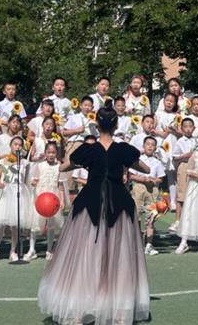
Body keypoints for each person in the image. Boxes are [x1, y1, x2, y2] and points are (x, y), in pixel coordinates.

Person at [38, 100, 150, 325]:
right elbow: (145, 168)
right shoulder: (124, 149)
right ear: (116, 125)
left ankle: (78, 313)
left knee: (85, 256)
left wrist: (78, 162)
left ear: (97, 125)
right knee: (119, 259)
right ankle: (120, 314)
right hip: (119, 204)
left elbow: (64, 166)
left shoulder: (88, 149)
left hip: (90, 203)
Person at [0, 136, 33, 262]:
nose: (17, 147)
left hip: (18, 194)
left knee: (15, 225)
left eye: (20, 145)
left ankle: (13, 251)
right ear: (10, 145)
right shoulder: (2, 162)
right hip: (5, 194)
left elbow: (25, 181)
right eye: (15, 144)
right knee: (1, 225)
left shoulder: (24, 163)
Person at [128, 136, 166, 256]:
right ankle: (136, 243)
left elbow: (160, 178)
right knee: (136, 215)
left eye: (152, 145)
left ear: (155, 148)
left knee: (151, 217)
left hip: (152, 190)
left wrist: (153, 180)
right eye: (148, 144)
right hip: (139, 188)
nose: (150, 146)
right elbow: (131, 175)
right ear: (143, 146)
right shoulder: (138, 160)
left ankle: (149, 244)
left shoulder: (157, 162)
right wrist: (143, 179)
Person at [30, 142, 66, 261]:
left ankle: (49, 249)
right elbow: (34, 181)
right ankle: (31, 249)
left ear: (56, 154)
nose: (51, 155)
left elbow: (60, 186)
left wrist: (62, 200)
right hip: (40, 196)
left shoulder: (59, 167)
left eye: (53, 152)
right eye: (49, 152)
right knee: (35, 224)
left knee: (51, 225)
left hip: (53, 197)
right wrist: (33, 182)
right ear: (45, 153)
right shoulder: (40, 166)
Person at [171, 117, 196, 233]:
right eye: (185, 127)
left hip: (196, 167)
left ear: (194, 128)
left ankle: (191, 221)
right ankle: (177, 221)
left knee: (194, 194)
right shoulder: (180, 141)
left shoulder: (197, 141)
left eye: (190, 127)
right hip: (184, 166)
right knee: (181, 195)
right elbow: (175, 157)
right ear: (181, 128)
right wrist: (186, 155)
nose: (188, 129)